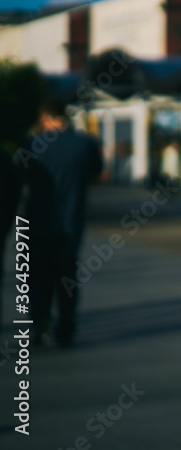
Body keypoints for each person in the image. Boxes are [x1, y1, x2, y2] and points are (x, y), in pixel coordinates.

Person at [17, 100, 103, 346]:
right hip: (70, 223)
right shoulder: (85, 143)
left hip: (37, 223)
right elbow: (96, 174)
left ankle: (40, 322)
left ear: (45, 117)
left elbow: (20, 179)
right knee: (67, 278)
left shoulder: (32, 144)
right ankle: (66, 328)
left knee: (37, 276)